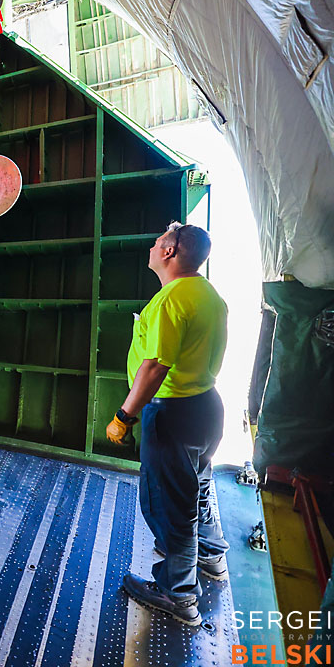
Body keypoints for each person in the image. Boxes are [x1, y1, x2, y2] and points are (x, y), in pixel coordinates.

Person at [106, 222, 230, 626]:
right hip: (206, 408)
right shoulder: (208, 294)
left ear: (171, 252)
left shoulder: (171, 299)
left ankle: (178, 595)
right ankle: (210, 555)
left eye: (159, 241)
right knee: (199, 487)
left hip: (174, 413)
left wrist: (124, 416)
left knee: (172, 508)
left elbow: (156, 366)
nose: (152, 244)